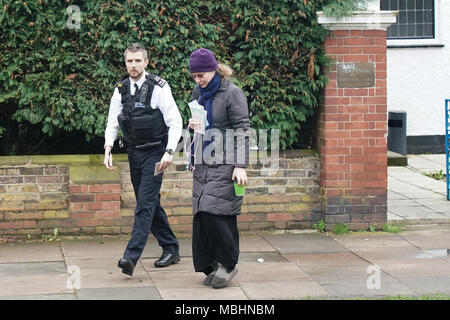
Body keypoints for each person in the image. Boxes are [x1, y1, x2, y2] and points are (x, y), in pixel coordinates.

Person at [104, 43, 182, 276]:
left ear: (146, 62)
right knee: (149, 202)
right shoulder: (120, 89)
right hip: (134, 153)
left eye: (138, 61)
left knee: (144, 204)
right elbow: (112, 122)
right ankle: (171, 247)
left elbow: (175, 121)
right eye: (130, 61)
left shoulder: (159, 87)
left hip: (156, 153)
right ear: (125, 62)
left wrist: (169, 151)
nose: (133, 65)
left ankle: (130, 257)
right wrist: (108, 148)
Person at [187, 48, 250, 289]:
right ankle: (211, 264)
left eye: (201, 74)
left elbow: (243, 129)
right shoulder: (198, 91)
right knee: (202, 214)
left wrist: (240, 165)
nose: (197, 80)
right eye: (194, 76)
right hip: (204, 161)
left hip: (226, 162)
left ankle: (228, 264)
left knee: (218, 212)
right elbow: (202, 126)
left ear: (214, 69)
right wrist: (194, 125)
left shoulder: (233, 93)